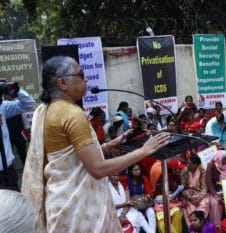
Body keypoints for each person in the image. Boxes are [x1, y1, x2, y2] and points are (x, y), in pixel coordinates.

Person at [21, 56, 170, 232]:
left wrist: (107, 146)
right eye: (80, 75)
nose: (86, 79)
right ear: (62, 83)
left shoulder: (45, 110)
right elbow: (97, 169)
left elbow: (69, 156)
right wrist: (144, 150)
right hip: (80, 211)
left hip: (61, 204)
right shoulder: (71, 114)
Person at [0, 81, 35, 189]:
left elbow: (29, 104)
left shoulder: (3, 107)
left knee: (14, 203)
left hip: (8, 169)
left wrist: (16, 91)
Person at [120, 164, 156, 233]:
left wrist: (147, 197)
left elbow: (149, 193)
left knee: (151, 212)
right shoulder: (124, 179)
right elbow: (124, 194)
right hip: (132, 204)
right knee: (138, 216)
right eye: (135, 170)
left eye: (139, 169)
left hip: (144, 203)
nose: (138, 171)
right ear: (131, 171)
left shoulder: (144, 178)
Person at [206, 150, 226, 230]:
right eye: (225, 159)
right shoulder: (211, 165)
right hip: (215, 191)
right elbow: (209, 181)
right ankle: (217, 227)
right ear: (219, 158)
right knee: (215, 203)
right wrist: (215, 195)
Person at [181, 153, 210, 227]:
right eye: (187, 163)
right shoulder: (184, 171)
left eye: (190, 164)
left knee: (203, 205)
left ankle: (201, 228)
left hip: (200, 194)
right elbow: (183, 188)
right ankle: (192, 229)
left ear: (196, 164)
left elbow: (204, 188)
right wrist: (191, 198)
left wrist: (199, 198)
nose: (188, 165)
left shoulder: (202, 171)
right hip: (189, 195)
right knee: (191, 209)